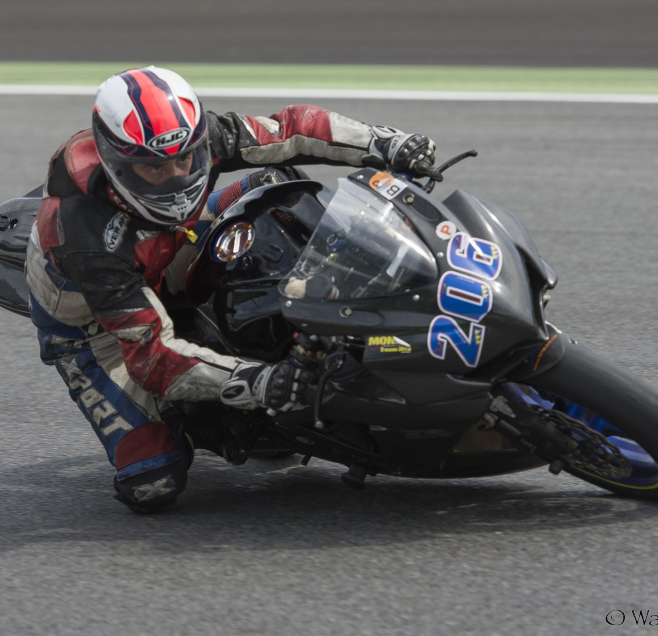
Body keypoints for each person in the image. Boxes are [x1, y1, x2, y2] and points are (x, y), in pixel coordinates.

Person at [26, 66, 440, 513]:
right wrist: (260, 383)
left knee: (276, 182)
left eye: (185, 159)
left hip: (171, 241)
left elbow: (292, 130)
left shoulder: (199, 139)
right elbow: (152, 358)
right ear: (117, 164)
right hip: (97, 330)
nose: (177, 177)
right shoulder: (84, 237)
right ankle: (194, 418)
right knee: (153, 482)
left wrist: (384, 143)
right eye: (155, 168)